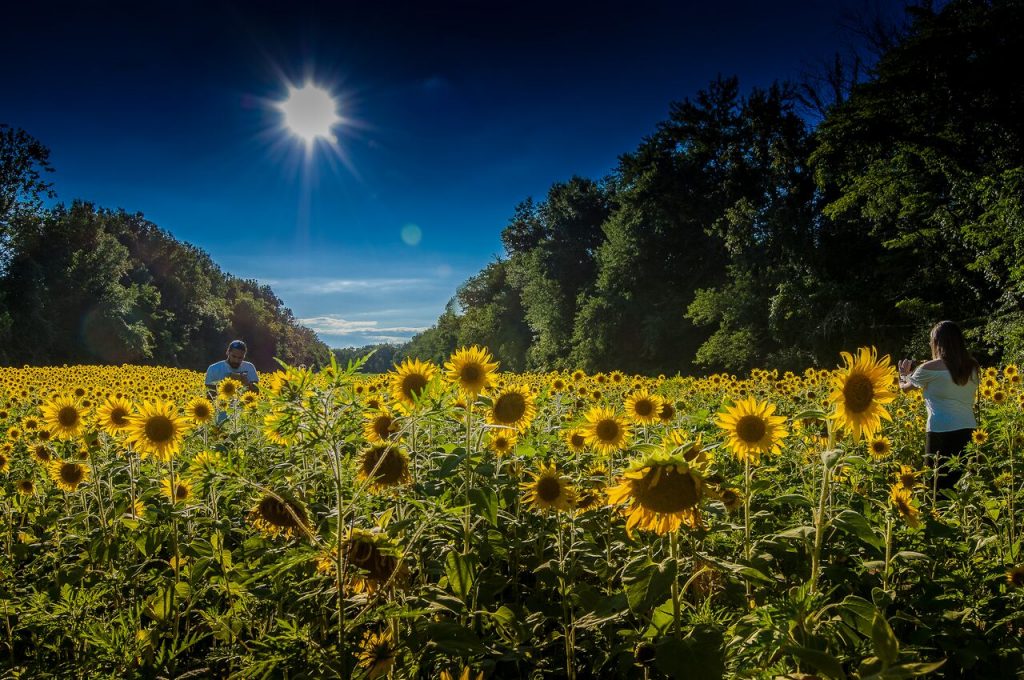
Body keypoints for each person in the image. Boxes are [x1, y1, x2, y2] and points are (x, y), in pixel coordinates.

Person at [898, 320, 979, 490]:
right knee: (963, 484)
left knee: (935, 483)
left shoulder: (929, 368)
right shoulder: (972, 366)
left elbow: (906, 389)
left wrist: (903, 375)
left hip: (939, 431)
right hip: (969, 430)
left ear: (936, 342)